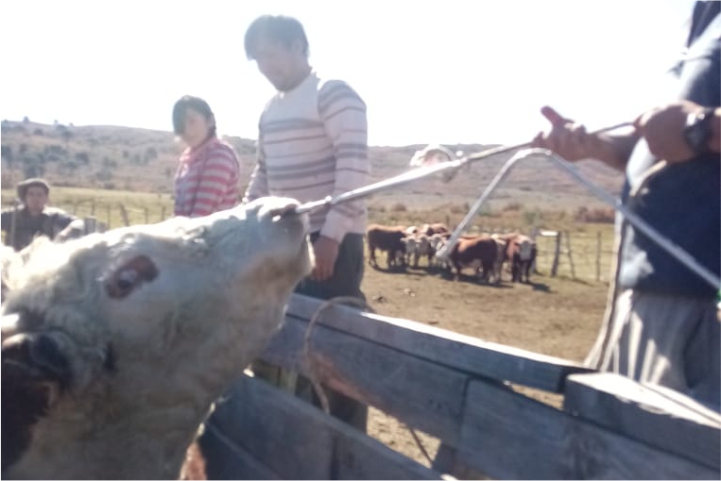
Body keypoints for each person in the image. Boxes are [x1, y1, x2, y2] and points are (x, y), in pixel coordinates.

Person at [532, 0, 720, 409]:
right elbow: (661, 149)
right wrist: (594, 146)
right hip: (641, 297)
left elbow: (691, 134)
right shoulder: (705, 15)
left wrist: (703, 130)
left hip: (700, 308)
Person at [242, 14, 371, 429]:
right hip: (287, 242)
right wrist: (244, 221)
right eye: (257, 59)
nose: (265, 66)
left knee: (333, 352)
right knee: (298, 345)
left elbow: (354, 169)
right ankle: (306, 443)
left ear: (299, 46)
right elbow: (264, 172)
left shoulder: (332, 94)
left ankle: (347, 450)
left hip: (329, 241)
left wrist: (331, 237)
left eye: (270, 54)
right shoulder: (269, 110)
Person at [172, 95, 241, 218]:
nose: (187, 130)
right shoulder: (187, 160)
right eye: (180, 124)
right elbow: (179, 214)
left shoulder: (219, 157)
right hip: (187, 233)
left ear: (210, 121)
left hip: (216, 235)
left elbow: (201, 216)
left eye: (192, 121)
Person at [1, 178, 76, 251]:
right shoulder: (13, 215)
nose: (35, 198)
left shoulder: (56, 216)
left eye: (39, 195)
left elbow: (79, 223)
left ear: (46, 198)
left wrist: (66, 232)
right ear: (25, 197)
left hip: (43, 260)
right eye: (31, 194)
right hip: (15, 259)